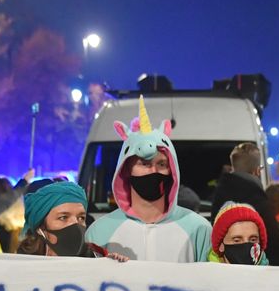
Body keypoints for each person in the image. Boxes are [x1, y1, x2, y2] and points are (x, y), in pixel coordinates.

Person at [84, 98, 211, 262]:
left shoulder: (199, 229)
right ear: (126, 169)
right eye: (144, 164)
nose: (154, 171)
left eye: (162, 164)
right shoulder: (99, 232)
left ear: (172, 169)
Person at [209, 142, 279, 265]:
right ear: (257, 171)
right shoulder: (258, 198)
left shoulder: (221, 192)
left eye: (253, 239)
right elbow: (275, 242)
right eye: (237, 240)